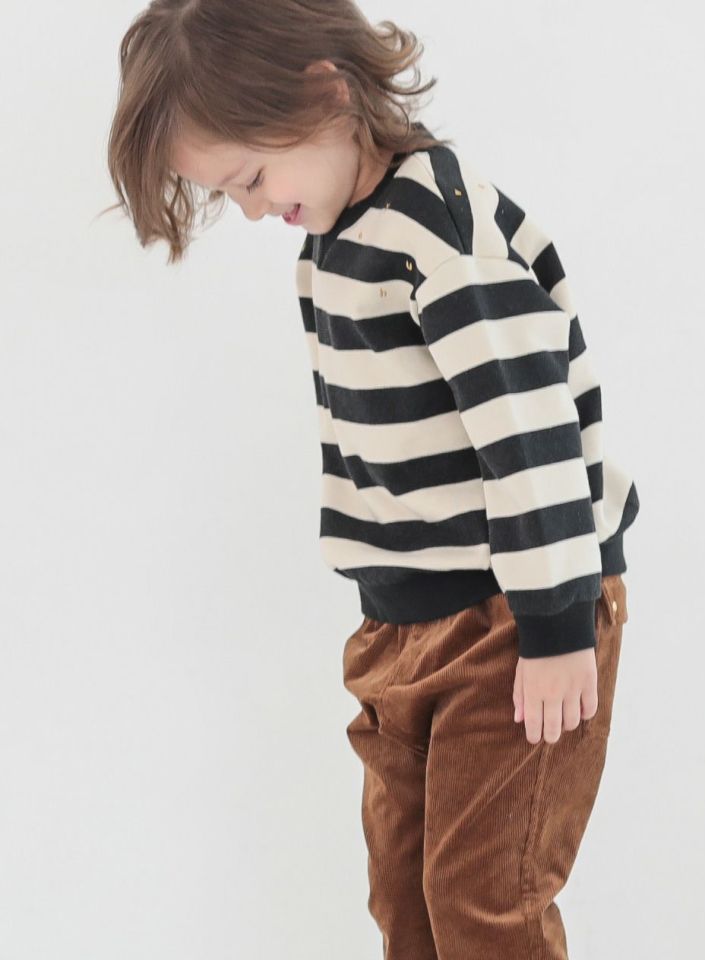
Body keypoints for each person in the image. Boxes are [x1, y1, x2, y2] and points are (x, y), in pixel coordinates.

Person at [103, 2, 641, 957]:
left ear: (327, 92)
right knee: (405, 898)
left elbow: (531, 432)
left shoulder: (440, 232)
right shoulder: (334, 246)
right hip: (403, 623)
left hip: (513, 616)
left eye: (252, 177)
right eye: (228, 193)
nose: (254, 209)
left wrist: (558, 625)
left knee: (485, 901)